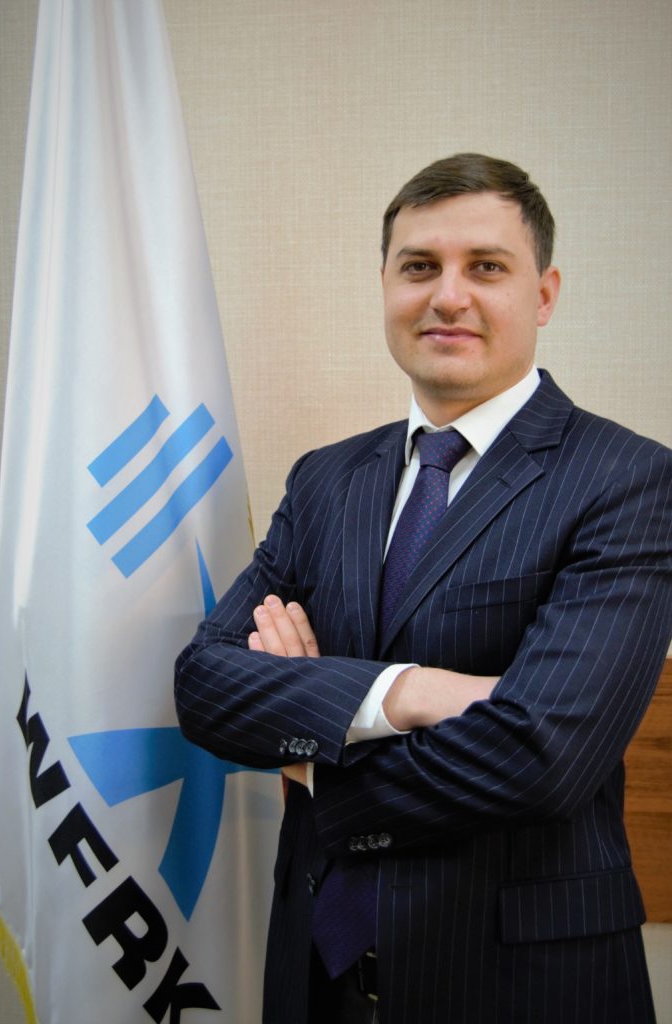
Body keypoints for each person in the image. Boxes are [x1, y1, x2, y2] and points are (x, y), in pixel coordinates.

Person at [174, 153, 672, 1024]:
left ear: (543, 294)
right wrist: (408, 693)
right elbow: (205, 686)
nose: (447, 296)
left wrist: (312, 756)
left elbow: (542, 757)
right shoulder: (325, 480)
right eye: (417, 267)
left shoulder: (629, 480)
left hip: (521, 988)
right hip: (312, 978)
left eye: (485, 266)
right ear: (384, 286)